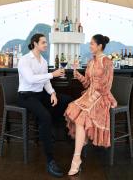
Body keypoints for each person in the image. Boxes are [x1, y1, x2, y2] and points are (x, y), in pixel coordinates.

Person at [18, 33, 72, 178]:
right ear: (35, 43)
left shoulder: (42, 60)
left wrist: (53, 93)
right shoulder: (24, 60)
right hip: (26, 96)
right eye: (43, 42)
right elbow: (30, 79)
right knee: (45, 117)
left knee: (66, 100)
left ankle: (48, 131)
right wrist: (52, 75)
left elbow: (45, 82)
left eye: (46, 42)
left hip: (40, 94)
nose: (46, 44)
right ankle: (50, 160)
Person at [64, 34, 118, 176]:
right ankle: (79, 153)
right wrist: (77, 74)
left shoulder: (107, 62)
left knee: (82, 116)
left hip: (101, 97)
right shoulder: (90, 62)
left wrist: (93, 97)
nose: (90, 46)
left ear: (100, 46)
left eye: (92, 44)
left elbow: (106, 87)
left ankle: (76, 159)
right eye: (90, 44)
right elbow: (87, 83)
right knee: (76, 112)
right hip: (89, 95)